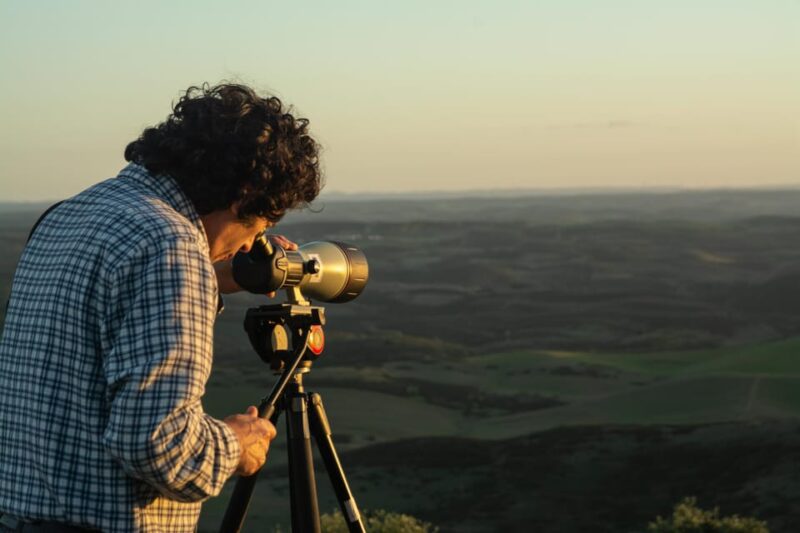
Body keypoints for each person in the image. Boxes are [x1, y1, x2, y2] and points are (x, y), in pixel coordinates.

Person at [0, 83, 322, 532]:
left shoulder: (67, 215)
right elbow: (159, 445)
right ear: (245, 194)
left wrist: (209, 278)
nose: (253, 243)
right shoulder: (172, 245)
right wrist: (236, 444)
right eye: (263, 224)